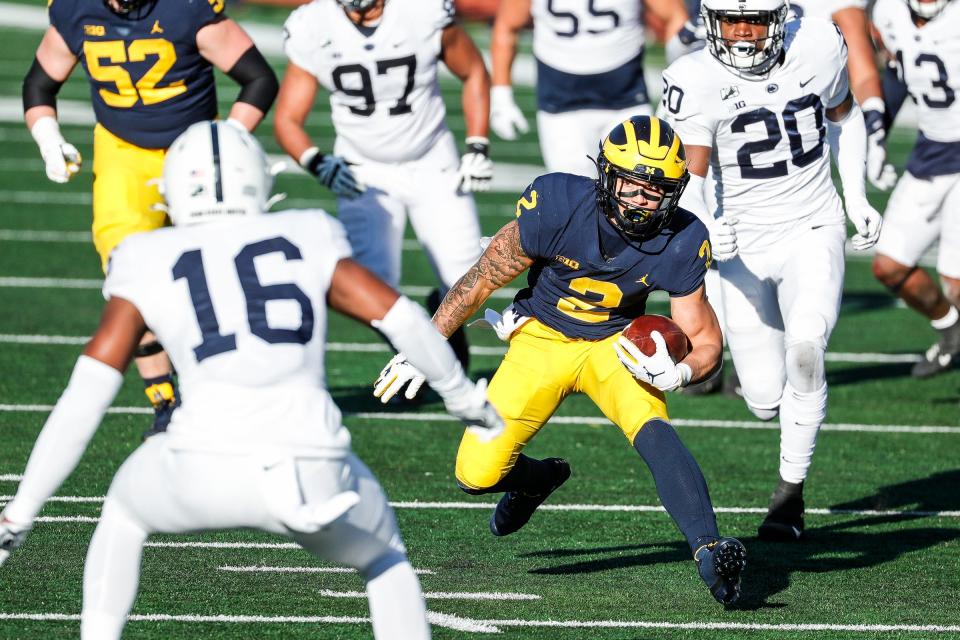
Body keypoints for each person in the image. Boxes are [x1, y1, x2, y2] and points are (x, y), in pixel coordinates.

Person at [0, 121, 503, 640]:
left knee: (124, 513)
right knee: (385, 559)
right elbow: (399, 317)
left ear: (171, 190)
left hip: (200, 464)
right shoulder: (308, 230)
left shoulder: (143, 255)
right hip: (313, 465)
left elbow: (87, 393)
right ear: (261, 181)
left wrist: (20, 513)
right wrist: (466, 400)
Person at [374, 115, 748, 606]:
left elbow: (706, 341)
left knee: (654, 431)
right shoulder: (558, 204)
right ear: (606, 177)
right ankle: (536, 480)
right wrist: (426, 344)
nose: (641, 200)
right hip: (541, 338)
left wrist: (681, 371)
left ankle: (709, 548)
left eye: (654, 191)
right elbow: (484, 277)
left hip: (614, 346)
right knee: (475, 475)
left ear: (673, 193)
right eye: (632, 186)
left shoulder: (681, 238)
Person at [661, 0, 883, 541]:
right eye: (730, 19)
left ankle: (789, 497)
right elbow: (687, 174)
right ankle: (779, 403)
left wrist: (855, 197)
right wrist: (708, 224)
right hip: (740, 246)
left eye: (754, 20)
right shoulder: (694, 78)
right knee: (762, 398)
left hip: (812, 225)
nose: (740, 32)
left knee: (806, 353)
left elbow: (845, 116)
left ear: (779, 18)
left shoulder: (817, 42)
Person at [23, 0, 278, 437]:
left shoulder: (185, 8)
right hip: (122, 153)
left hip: (193, 150)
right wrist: (48, 137)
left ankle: (232, 390)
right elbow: (40, 84)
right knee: (127, 276)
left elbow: (258, 79)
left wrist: (224, 142)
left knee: (219, 278)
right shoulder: (75, 10)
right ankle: (165, 404)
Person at [274, 0, 492, 371]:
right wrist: (318, 161)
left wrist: (477, 144)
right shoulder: (314, 24)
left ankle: (440, 330)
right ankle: (427, 360)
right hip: (363, 169)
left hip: (430, 158)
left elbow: (473, 72)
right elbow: (288, 119)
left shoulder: (420, 11)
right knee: (371, 292)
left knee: (470, 276)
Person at [488, 0, 689, 176]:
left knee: (638, 188)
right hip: (561, 103)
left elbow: (676, 17)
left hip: (625, 98)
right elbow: (507, 26)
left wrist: (677, 82)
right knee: (574, 198)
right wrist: (501, 96)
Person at [870, 0, 960, 379]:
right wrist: (876, 132)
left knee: (955, 281)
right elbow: (899, 75)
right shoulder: (887, 12)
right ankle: (951, 331)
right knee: (889, 266)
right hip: (931, 152)